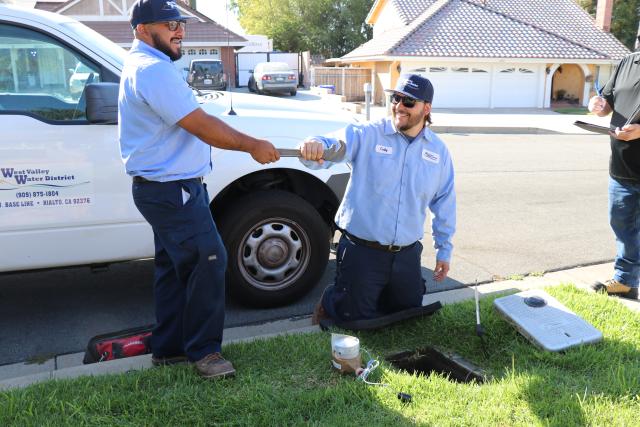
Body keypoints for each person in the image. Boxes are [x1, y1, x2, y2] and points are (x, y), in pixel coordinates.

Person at [118, 0, 280, 379]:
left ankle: (169, 348)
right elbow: (200, 124)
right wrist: (252, 144)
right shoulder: (152, 69)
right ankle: (205, 353)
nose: (180, 31)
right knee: (209, 260)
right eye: (170, 24)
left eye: (181, 24)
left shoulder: (149, 66)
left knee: (175, 269)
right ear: (143, 28)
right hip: (172, 190)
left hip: (167, 189)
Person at [300, 74, 456, 323]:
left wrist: (444, 250)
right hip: (363, 250)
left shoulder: (438, 152)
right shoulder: (368, 134)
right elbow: (335, 144)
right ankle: (331, 298)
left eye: (408, 102)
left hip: (406, 252)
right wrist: (315, 144)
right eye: (396, 98)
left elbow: (445, 202)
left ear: (426, 108)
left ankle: (380, 292)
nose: (399, 106)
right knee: (354, 317)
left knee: (406, 312)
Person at [588, 52, 640, 300]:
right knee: (623, 227)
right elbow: (606, 102)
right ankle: (625, 282)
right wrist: (597, 106)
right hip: (621, 168)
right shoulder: (627, 62)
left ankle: (626, 279)